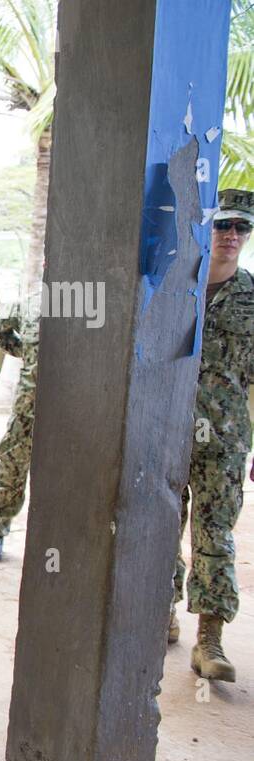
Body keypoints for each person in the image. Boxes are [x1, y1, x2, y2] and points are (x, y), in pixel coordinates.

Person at [170, 187, 254, 682]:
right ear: (207, 229)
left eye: (242, 228)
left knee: (214, 534)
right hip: (168, 432)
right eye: (224, 225)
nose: (232, 235)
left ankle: (210, 639)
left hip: (224, 440)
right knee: (162, 527)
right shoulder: (178, 285)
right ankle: (161, 613)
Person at [0, 298, 39, 562]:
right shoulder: (29, 303)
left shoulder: (88, 301)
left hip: (72, 406)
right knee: (12, 466)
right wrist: (27, 351)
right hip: (29, 402)